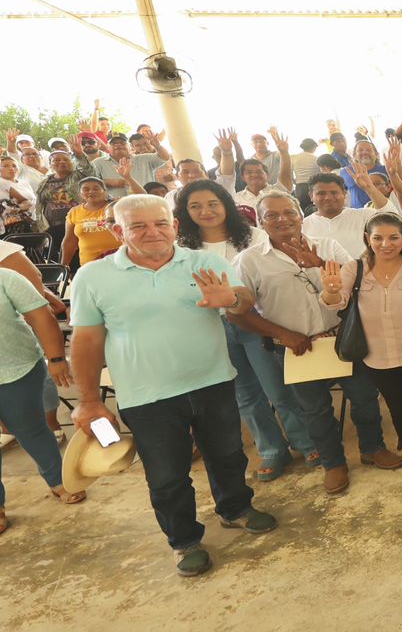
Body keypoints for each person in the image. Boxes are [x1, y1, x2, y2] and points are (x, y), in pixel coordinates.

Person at [69, 195, 275, 577]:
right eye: (138, 226)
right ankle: (184, 541)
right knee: (166, 474)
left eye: (161, 223)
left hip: (212, 380)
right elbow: (86, 341)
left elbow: (244, 298)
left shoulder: (204, 263)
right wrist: (88, 401)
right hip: (146, 395)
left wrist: (231, 298)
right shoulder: (93, 277)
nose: (153, 232)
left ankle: (236, 509)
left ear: (175, 226)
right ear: (118, 231)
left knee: (228, 454)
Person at [232, 191, 402, 495]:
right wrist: (281, 335)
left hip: (342, 339)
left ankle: (372, 447)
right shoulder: (249, 260)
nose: (282, 219)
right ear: (261, 221)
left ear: (301, 215)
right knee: (314, 410)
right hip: (299, 348)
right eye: (272, 215)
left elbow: (363, 283)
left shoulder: (327, 246)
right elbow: (238, 314)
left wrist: (319, 262)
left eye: (289, 212)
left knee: (365, 397)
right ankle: (333, 463)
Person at [175, 180, 314, 482]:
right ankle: (271, 450)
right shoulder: (182, 248)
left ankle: (305, 442)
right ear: (185, 212)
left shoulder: (253, 236)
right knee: (245, 395)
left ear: (225, 203)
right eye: (195, 206)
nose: (206, 211)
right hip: (212, 327)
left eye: (213, 203)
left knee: (277, 388)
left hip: (255, 322)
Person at [322, 212, 402, 492]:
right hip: (378, 357)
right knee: (399, 409)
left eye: (393, 237)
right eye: (378, 238)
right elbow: (335, 301)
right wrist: (330, 290)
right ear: (368, 239)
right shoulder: (355, 269)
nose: (385, 244)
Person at [0, 263, 80, 534]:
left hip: (17, 369)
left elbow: (41, 317)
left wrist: (56, 358)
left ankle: (58, 479)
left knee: (31, 428)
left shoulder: (5, 278)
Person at [302, 171, 398, 260]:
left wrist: (369, 187)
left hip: (365, 276)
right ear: (311, 196)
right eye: (321, 193)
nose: (328, 197)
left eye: (334, 192)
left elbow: (393, 219)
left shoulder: (364, 215)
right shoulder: (302, 225)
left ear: (344, 194)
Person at [62, 176, 119, 270]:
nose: (91, 192)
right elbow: (69, 241)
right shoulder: (74, 212)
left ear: (105, 191)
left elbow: (143, 196)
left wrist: (127, 177)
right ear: (80, 194)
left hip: (118, 261)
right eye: (86, 189)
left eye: (96, 188)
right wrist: (64, 264)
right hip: (89, 266)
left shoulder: (117, 206)